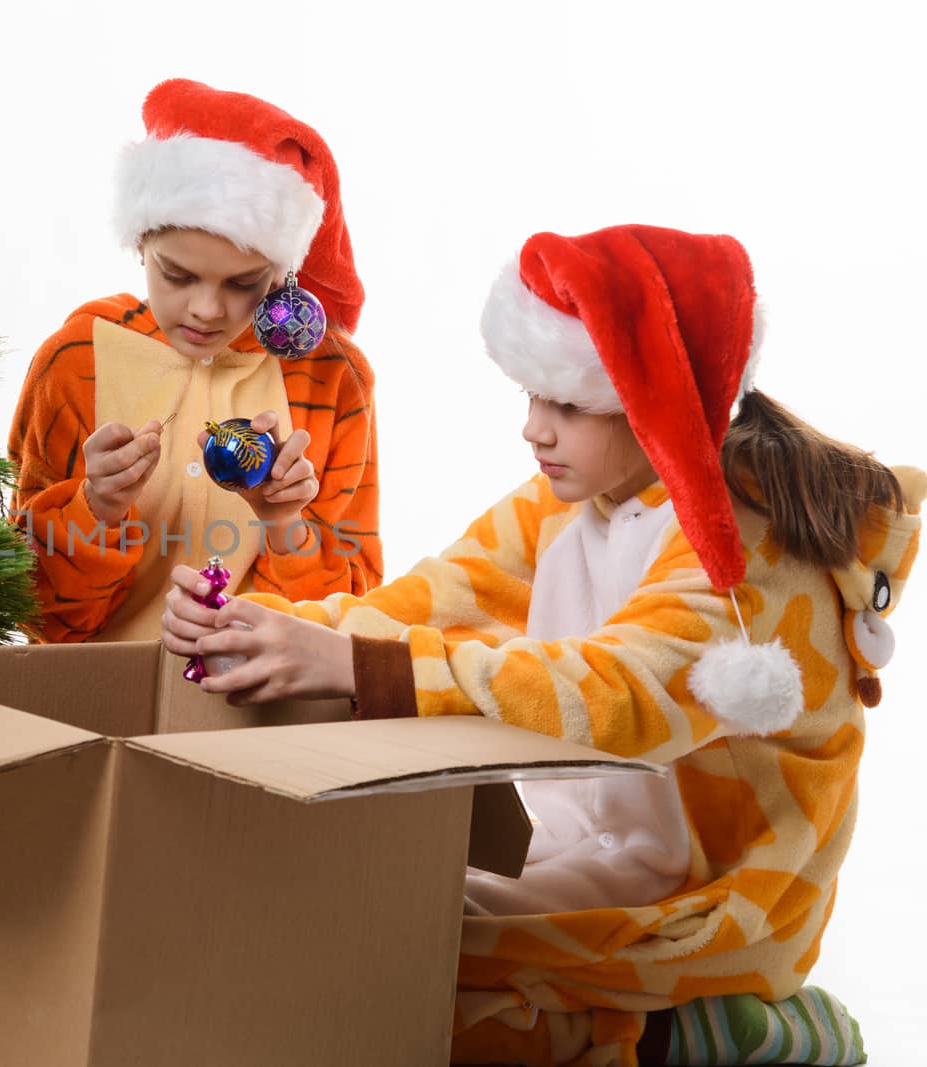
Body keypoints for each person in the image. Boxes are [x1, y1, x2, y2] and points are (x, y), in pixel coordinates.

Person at [162, 224, 923, 1066]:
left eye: (567, 405)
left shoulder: (747, 551)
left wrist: (353, 666)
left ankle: (694, 1031)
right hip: (580, 842)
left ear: (657, 402)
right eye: (533, 396)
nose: (534, 429)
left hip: (715, 897)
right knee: (357, 930)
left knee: (405, 987)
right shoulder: (570, 501)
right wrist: (266, 628)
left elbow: (624, 696)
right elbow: (432, 602)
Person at [8, 78, 382, 643]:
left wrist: (286, 528)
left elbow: (355, 622)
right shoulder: (77, 359)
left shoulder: (332, 380)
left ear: (285, 271)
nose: (206, 310)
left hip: (258, 715)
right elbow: (32, 610)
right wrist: (95, 509)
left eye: (243, 283)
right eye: (177, 275)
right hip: (92, 699)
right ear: (140, 246)